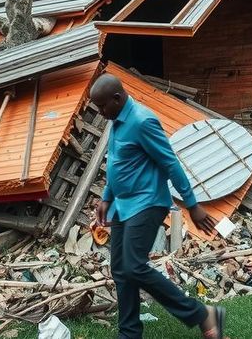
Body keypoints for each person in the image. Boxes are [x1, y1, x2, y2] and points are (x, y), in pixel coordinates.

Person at [91, 73, 224, 339]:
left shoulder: (142, 121)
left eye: (102, 106)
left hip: (148, 202)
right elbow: (117, 164)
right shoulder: (116, 121)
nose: (100, 112)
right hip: (123, 205)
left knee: (134, 266)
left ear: (117, 99)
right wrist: (106, 198)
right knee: (120, 269)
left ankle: (203, 315)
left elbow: (170, 163)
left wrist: (192, 204)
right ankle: (129, 333)